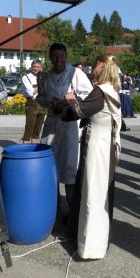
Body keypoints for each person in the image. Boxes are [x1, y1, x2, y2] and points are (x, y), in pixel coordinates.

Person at [60, 54, 121, 259]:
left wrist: (70, 100)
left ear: (101, 66)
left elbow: (80, 111)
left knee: (93, 192)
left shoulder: (100, 91)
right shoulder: (111, 89)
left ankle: (91, 246)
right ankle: (83, 235)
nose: (91, 68)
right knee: (93, 190)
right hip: (105, 146)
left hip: (97, 147)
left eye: (94, 65)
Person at [37, 43, 93, 210]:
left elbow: (90, 96)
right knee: (50, 164)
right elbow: (42, 101)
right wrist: (41, 88)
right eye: (54, 56)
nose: (58, 60)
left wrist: (72, 100)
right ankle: (54, 206)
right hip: (52, 124)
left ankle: (73, 211)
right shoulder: (46, 76)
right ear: (50, 58)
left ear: (66, 57)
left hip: (70, 125)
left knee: (70, 168)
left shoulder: (76, 74)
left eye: (61, 56)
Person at [21, 59, 45, 143]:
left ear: (41, 68)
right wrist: (41, 84)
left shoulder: (44, 77)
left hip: (42, 103)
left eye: (38, 67)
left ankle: (34, 151)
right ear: (31, 67)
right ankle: (25, 152)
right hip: (32, 103)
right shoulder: (26, 77)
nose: (36, 69)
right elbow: (31, 92)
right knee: (29, 129)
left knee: (37, 130)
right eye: (34, 67)